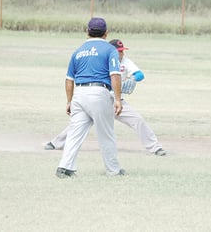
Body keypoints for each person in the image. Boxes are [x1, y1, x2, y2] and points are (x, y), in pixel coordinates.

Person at [46, 39, 166, 156]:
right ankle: (56, 143)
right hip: (100, 99)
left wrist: (132, 79)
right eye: (119, 51)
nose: (121, 53)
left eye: (122, 50)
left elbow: (140, 74)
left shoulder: (125, 61)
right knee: (80, 123)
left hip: (117, 101)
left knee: (137, 120)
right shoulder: (102, 60)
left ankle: (155, 147)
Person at [56, 17, 124, 178]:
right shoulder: (110, 50)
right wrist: (118, 99)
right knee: (106, 133)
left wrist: (69, 100)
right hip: (98, 93)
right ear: (106, 33)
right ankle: (113, 170)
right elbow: (114, 75)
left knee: (74, 133)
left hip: (79, 94)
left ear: (87, 31)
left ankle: (64, 167)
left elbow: (69, 79)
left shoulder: (78, 51)